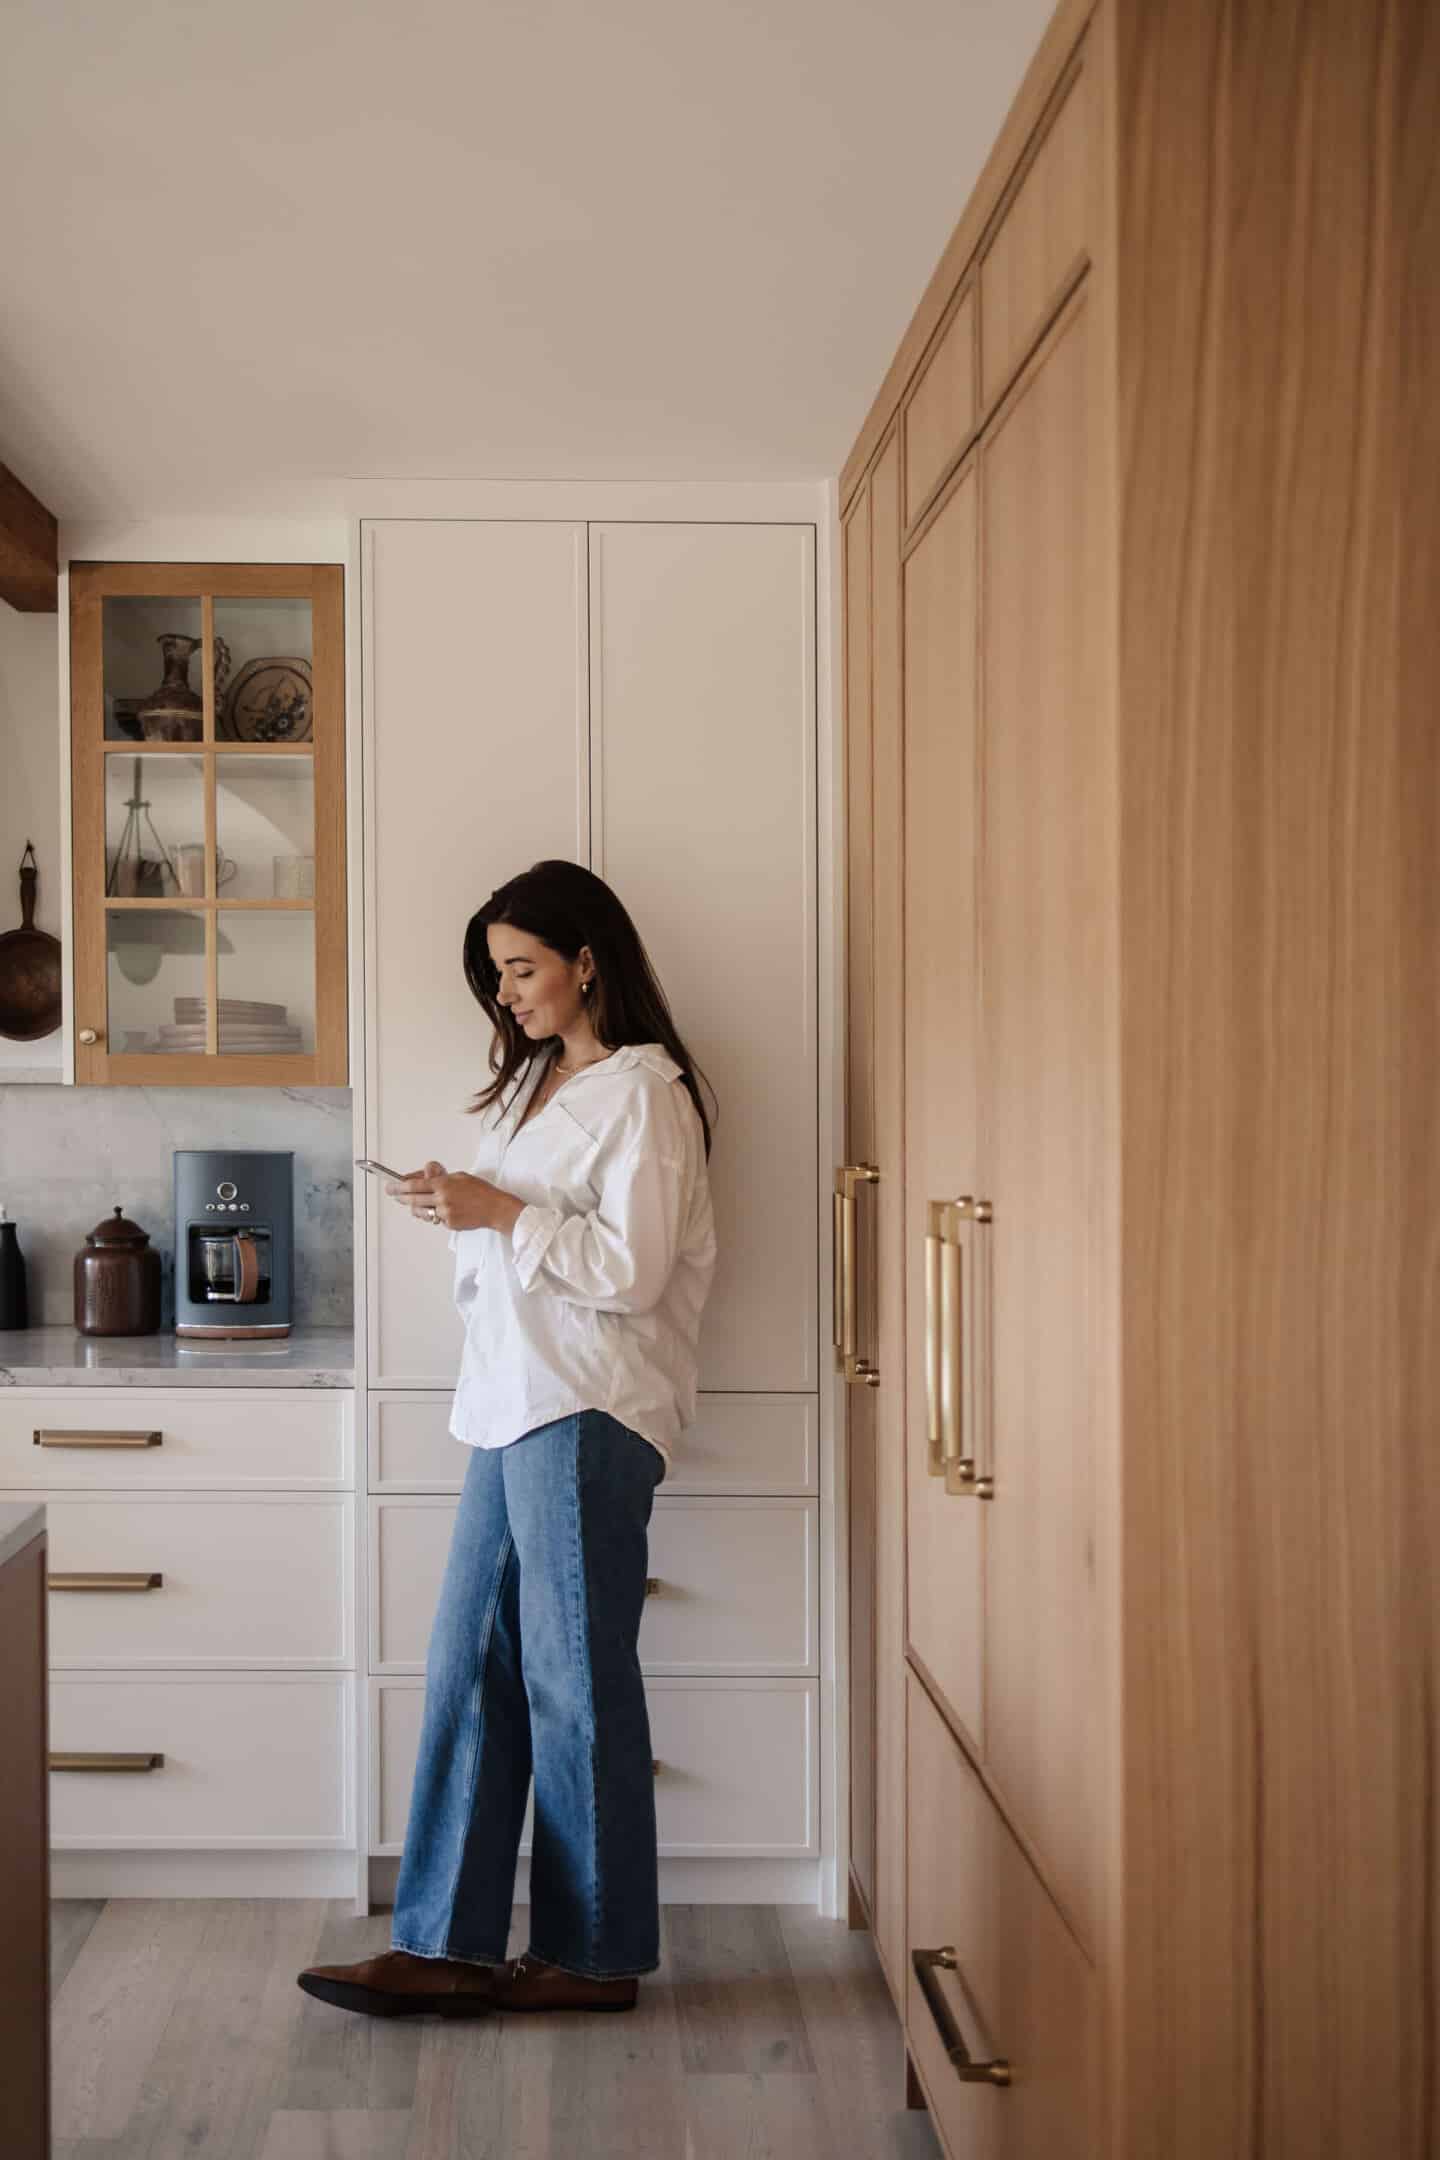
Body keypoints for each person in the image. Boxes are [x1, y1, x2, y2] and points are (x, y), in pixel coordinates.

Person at [298, 859, 718, 2017]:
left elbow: (631, 1274)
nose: (508, 994)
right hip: (512, 1406)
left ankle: (594, 1957)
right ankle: (447, 1942)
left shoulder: (643, 1093)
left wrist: (500, 1211)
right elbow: (535, 1245)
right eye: (497, 976)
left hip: (585, 1409)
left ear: (590, 961)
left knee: (573, 1683)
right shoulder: (546, 1089)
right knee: (472, 1673)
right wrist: (467, 1204)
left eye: (523, 969)